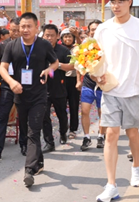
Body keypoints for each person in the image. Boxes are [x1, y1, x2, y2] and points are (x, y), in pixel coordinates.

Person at [94, 0, 139, 202]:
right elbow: (94, 61)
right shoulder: (103, 29)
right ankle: (111, 185)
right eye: (113, 2)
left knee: (133, 133)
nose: (116, 6)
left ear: (130, 2)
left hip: (135, 90)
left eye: (120, 1)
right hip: (111, 90)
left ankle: (136, 166)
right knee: (111, 134)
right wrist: (97, 76)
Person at [0, 12, 59, 188]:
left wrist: (48, 71)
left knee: (34, 131)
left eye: (29, 26)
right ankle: (38, 162)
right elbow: (2, 68)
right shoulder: (12, 46)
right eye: (22, 26)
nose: (25, 30)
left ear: (36, 27)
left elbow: (55, 64)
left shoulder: (44, 45)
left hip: (39, 96)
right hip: (19, 94)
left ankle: (29, 170)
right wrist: (11, 82)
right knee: (25, 131)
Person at [0, 19, 26, 160]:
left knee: (23, 116)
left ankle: (24, 145)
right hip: (6, 85)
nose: (15, 33)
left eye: (18, 30)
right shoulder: (2, 45)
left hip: (24, 84)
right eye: (12, 30)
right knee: (2, 116)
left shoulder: (28, 44)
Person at [41, 25, 74, 151]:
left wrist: (57, 65)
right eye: (47, 35)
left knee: (62, 115)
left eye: (52, 35)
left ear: (57, 36)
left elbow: (71, 66)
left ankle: (63, 132)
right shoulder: (39, 49)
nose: (49, 38)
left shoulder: (63, 50)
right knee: (45, 116)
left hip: (59, 87)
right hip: (43, 88)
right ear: (43, 35)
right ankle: (49, 142)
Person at [77, 21, 106, 151]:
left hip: (103, 83)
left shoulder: (107, 43)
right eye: (92, 29)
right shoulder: (85, 45)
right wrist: (79, 80)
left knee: (102, 112)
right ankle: (87, 137)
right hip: (88, 83)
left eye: (97, 29)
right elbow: (78, 63)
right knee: (85, 110)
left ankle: (101, 136)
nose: (94, 31)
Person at [61, 28, 81, 140]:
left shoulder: (76, 49)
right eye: (65, 37)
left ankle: (73, 129)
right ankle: (63, 128)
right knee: (62, 106)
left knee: (74, 106)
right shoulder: (59, 49)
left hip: (73, 79)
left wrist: (77, 35)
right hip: (62, 80)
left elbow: (81, 46)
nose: (67, 39)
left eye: (70, 36)